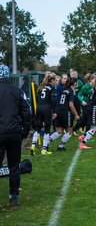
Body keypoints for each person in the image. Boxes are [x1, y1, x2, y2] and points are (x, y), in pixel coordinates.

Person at [0, 65, 31, 207]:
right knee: (14, 167)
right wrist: (24, 131)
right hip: (14, 133)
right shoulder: (17, 91)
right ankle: (13, 198)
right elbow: (26, 112)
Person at [47, 77, 80, 152]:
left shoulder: (65, 90)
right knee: (70, 131)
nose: (77, 83)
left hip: (59, 111)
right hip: (66, 112)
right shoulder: (71, 91)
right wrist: (76, 114)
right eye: (76, 82)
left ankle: (45, 144)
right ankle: (60, 146)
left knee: (59, 131)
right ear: (74, 83)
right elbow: (71, 104)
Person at [30, 75, 57, 155]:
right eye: (55, 80)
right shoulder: (52, 88)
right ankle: (44, 149)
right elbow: (52, 101)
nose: (55, 82)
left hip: (39, 108)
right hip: (46, 109)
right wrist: (54, 112)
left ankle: (33, 146)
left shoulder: (42, 87)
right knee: (47, 128)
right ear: (52, 80)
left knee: (38, 128)